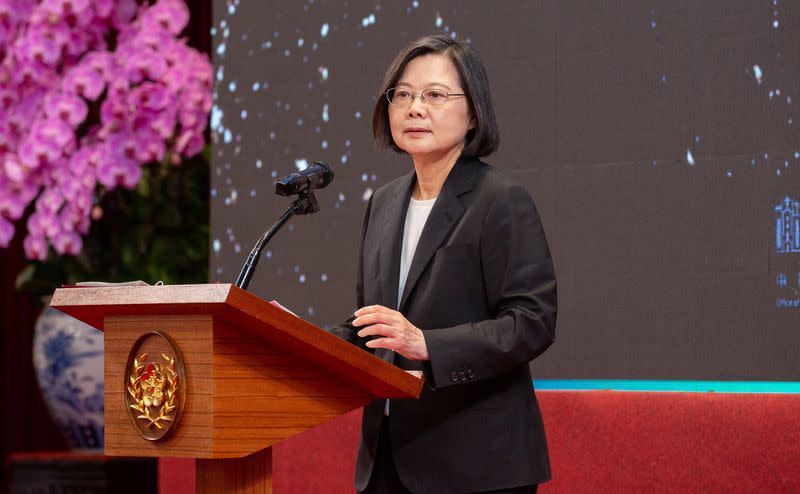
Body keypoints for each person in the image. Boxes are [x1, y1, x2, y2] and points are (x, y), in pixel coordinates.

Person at [329, 33, 557, 494]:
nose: (415, 108)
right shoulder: (384, 203)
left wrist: (426, 344)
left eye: (435, 95)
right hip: (387, 460)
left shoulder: (500, 200)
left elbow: (530, 322)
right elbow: (373, 327)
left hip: (476, 465)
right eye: (403, 94)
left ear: (473, 113)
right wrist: (288, 335)